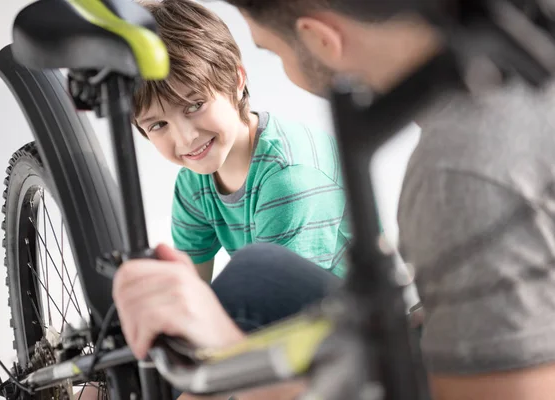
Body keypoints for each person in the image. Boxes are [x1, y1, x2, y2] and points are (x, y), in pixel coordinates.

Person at [207, 1, 555, 399]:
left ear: (320, 38)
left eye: (273, 51)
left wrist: (241, 368)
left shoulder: (458, 170)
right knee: (258, 270)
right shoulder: (529, 34)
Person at [133, 0, 354, 283]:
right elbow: (192, 290)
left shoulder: (287, 179)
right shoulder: (193, 184)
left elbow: (279, 303)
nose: (185, 138)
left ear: (237, 80)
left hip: (345, 314)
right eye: (159, 124)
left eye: (194, 105)